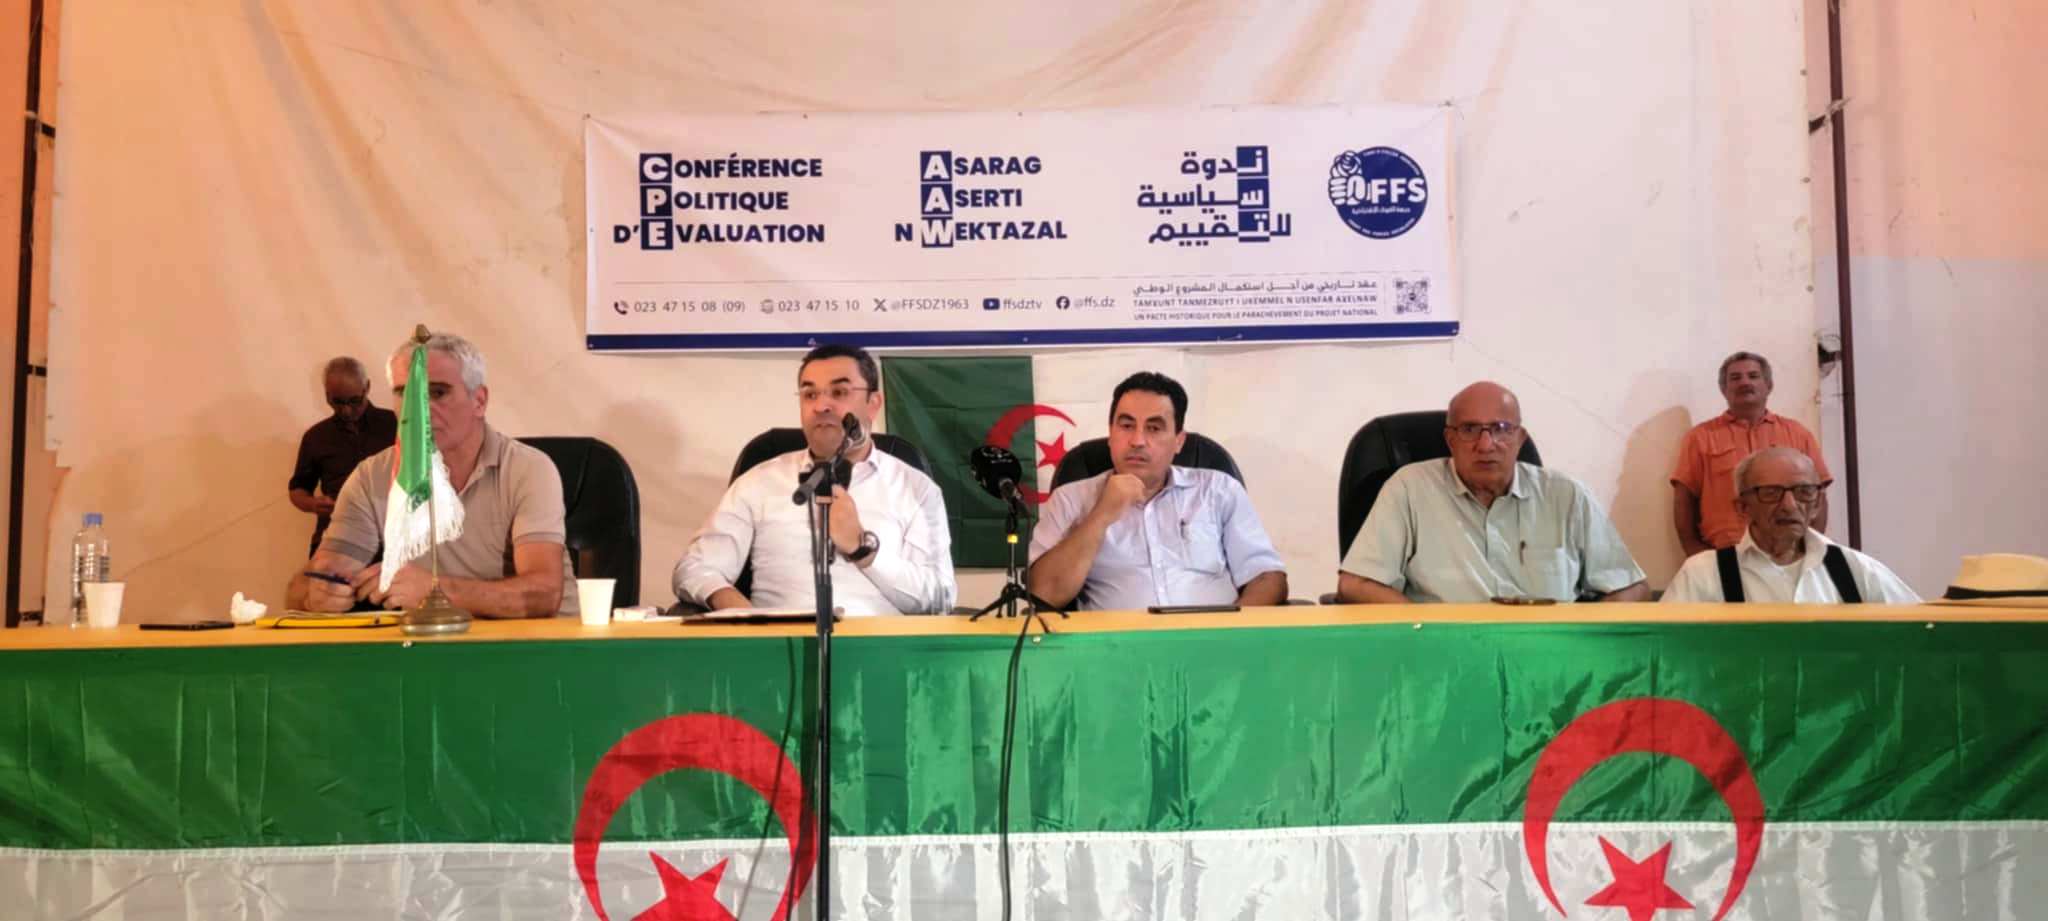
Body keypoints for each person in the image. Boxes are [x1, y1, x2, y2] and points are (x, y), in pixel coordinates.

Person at [286, 332, 573, 617]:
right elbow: (302, 588)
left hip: (542, 641)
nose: (418, 409)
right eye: (404, 393)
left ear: (479, 401)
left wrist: (436, 590)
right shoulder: (371, 477)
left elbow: (544, 594)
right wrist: (317, 595)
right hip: (435, 642)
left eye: (437, 393)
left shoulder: (528, 469)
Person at [673, 344, 955, 616]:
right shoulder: (759, 482)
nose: (821, 405)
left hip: (879, 643)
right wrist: (742, 612)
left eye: (839, 392)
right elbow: (695, 568)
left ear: (873, 404)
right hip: (780, 642)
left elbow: (940, 598)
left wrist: (863, 550)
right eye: (809, 394)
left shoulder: (915, 488)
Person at [1336, 382, 1648, 604]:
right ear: (1450, 440)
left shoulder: (1566, 496)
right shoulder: (1410, 488)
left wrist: (1584, 643)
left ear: (1520, 438)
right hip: (1446, 656)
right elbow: (1356, 584)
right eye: (1469, 430)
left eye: (1500, 429)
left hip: (1548, 657)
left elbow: (1632, 588)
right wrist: (1424, 632)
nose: (1486, 445)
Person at [1027, 372, 1287, 610]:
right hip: (1116, 643)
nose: (1137, 441)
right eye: (1126, 426)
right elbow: (1044, 594)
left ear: (1178, 441)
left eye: (1153, 428)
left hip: (1212, 640)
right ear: (1111, 434)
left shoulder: (1218, 490)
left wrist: (1230, 633)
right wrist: (1102, 513)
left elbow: (1267, 577)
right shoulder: (1071, 500)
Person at [1663, 447, 1919, 603]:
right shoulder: (1703, 575)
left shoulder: (1856, 571)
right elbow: (1666, 653)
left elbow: (1922, 632)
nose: (1789, 505)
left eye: (1804, 492)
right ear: (1743, 507)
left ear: (1817, 504)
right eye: (1771, 493)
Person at [1672, 351, 1831, 557]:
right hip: (1725, 555)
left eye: (1753, 376)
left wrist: (1807, 551)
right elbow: (1684, 502)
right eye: (1735, 378)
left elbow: (1818, 496)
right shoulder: (1700, 438)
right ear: (1723, 389)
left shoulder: (1798, 434)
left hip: (1788, 555)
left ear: (1768, 385)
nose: (1745, 382)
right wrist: (1698, 555)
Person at [287, 357, 397, 556]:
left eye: (354, 401)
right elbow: (298, 489)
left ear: (367, 387)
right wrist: (313, 504)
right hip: (336, 536)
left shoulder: (396, 424)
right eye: (336, 402)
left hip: (390, 537)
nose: (346, 410)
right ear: (326, 394)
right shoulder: (315, 437)